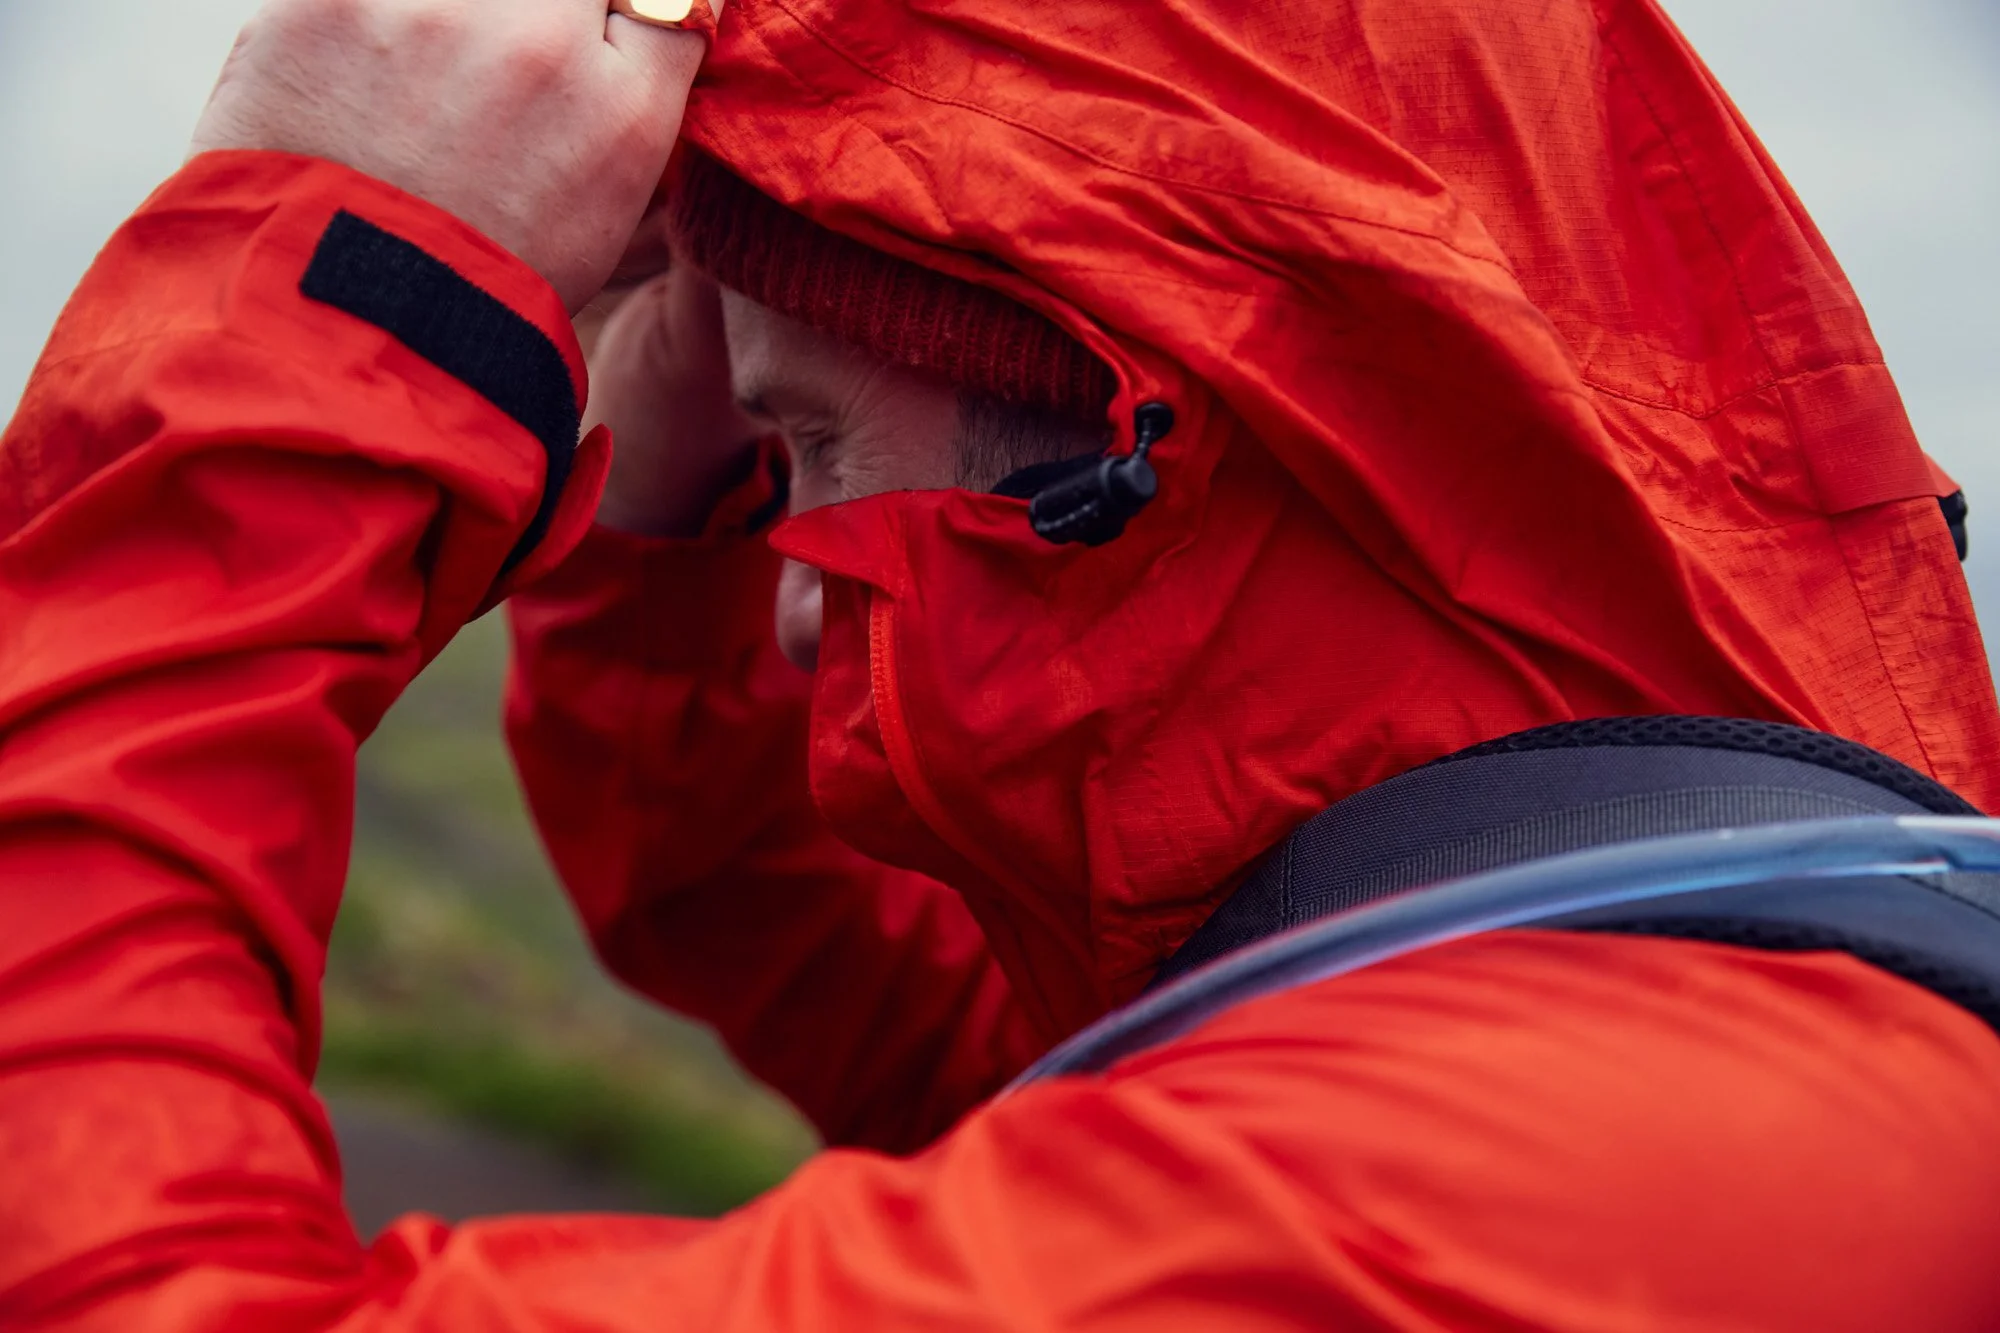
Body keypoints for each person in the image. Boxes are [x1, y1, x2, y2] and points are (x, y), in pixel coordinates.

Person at [5, 0, 2000, 1330]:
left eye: (823, 466)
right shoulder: (1669, 983)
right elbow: (849, 970)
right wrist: (656, 516)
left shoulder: (1514, 1197)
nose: (789, 603)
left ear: (1138, 420)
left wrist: (295, 321)